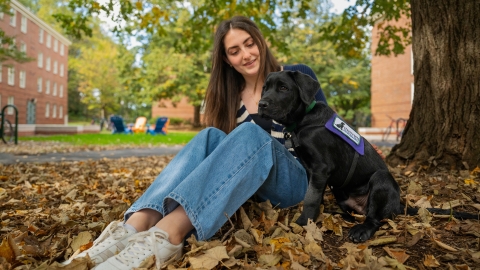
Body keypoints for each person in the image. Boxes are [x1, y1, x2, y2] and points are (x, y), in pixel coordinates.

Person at [62, 16, 334, 269]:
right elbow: (220, 163)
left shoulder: (297, 75)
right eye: (235, 50)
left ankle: (168, 236)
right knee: (210, 136)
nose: (246, 54)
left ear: (260, 42)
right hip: (256, 189)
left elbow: (327, 132)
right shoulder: (229, 99)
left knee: (252, 134)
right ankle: (134, 227)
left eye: (249, 44)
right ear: (227, 60)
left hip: (298, 182)